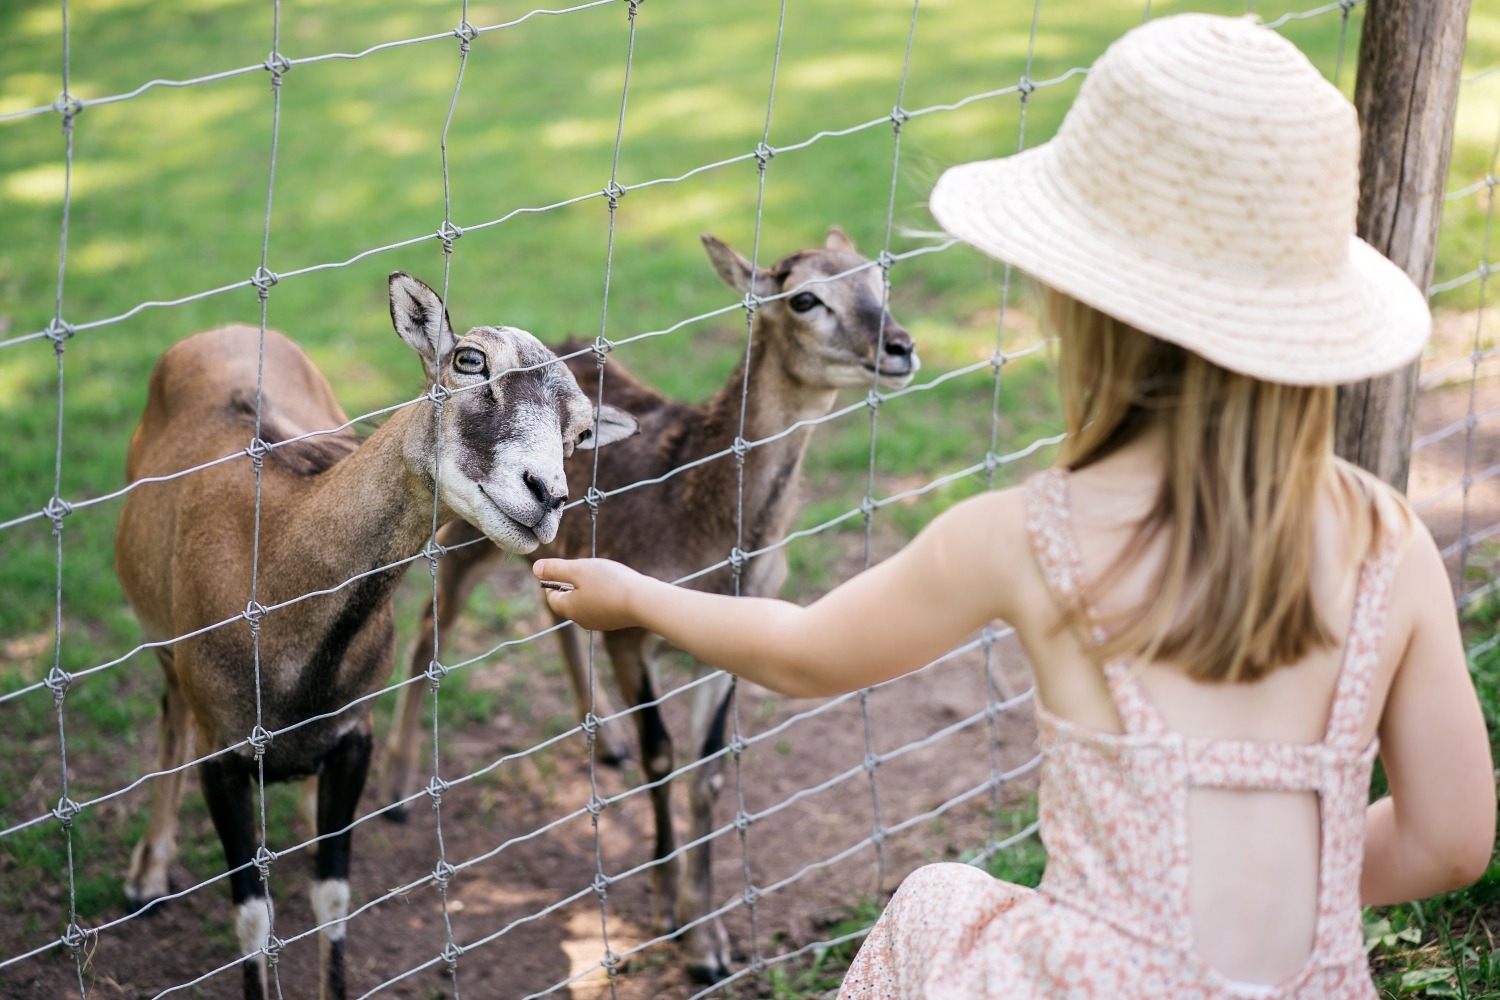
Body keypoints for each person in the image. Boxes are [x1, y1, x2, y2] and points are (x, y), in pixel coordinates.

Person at [535, 13, 1495, 999]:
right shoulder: (1391, 537)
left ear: (1078, 305)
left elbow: (802, 652)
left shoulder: (1030, 535)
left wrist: (638, 597)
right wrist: (1278, 901)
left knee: (937, 905)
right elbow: (1451, 841)